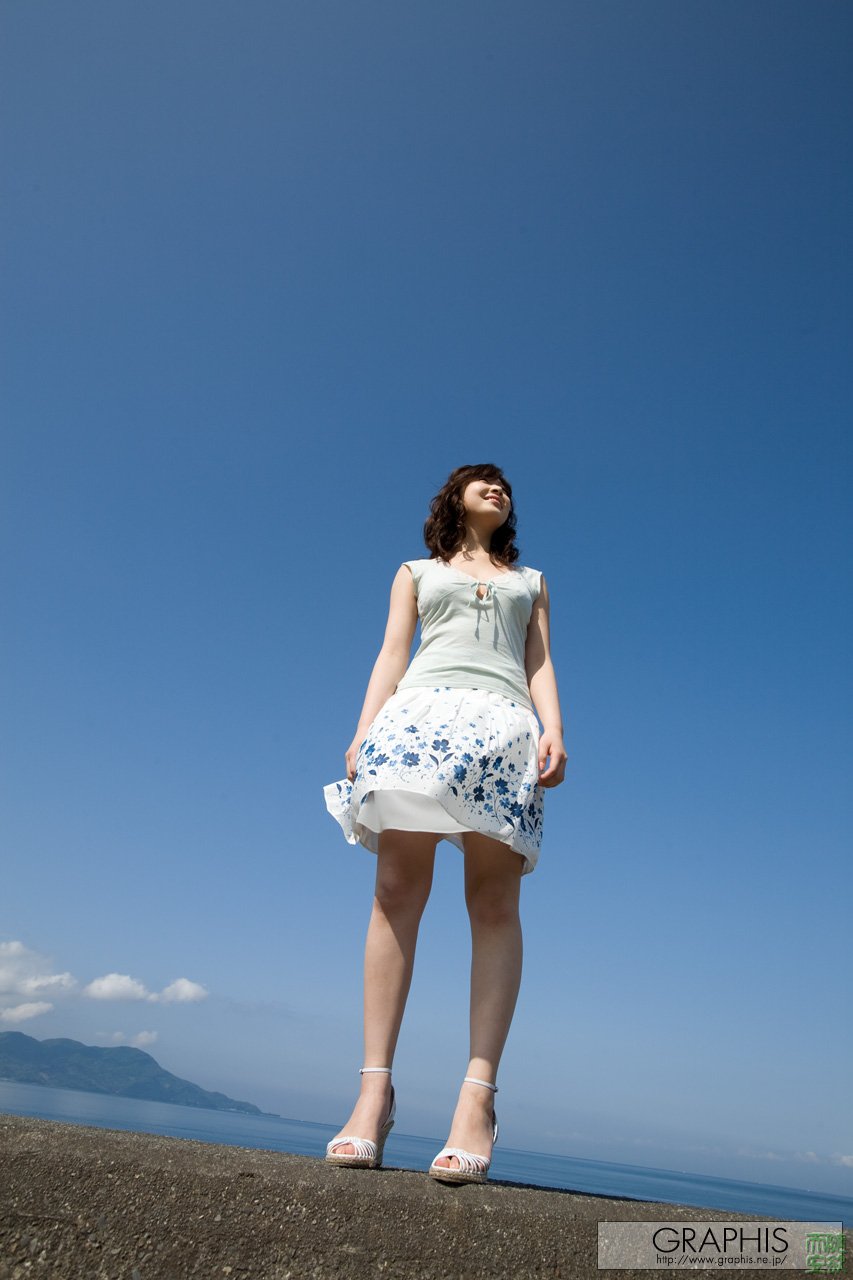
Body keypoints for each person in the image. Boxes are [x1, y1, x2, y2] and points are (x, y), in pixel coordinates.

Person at [322, 462, 567, 1184]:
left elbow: (539, 661)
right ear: (453, 497)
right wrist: (362, 731)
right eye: (483, 481)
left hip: (503, 725)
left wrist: (554, 728)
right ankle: (373, 1094)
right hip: (419, 716)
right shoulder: (415, 572)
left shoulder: (531, 582)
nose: (499, 489)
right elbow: (391, 652)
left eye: (506, 486)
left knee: (492, 903)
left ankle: (476, 1101)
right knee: (396, 891)